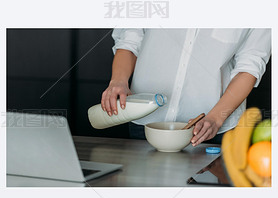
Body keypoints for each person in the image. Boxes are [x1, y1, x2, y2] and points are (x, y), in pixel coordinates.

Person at [101, 29, 271, 144]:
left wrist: (215, 119)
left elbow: (249, 67)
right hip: (145, 121)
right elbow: (130, 38)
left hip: (211, 131)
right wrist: (118, 80)